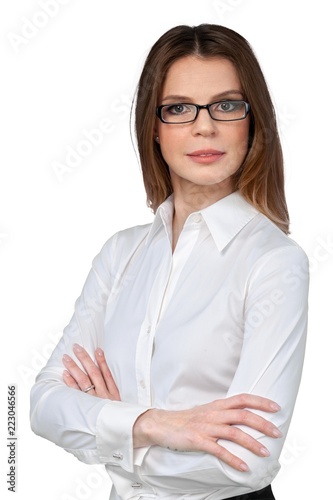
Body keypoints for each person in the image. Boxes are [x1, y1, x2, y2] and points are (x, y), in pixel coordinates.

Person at [30, 24, 309, 500]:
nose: (205, 126)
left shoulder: (274, 262)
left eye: (226, 105)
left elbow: (248, 457)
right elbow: (42, 405)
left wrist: (111, 429)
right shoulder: (121, 253)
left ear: (253, 120)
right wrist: (161, 426)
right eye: (178, 108)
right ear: (154, 129)